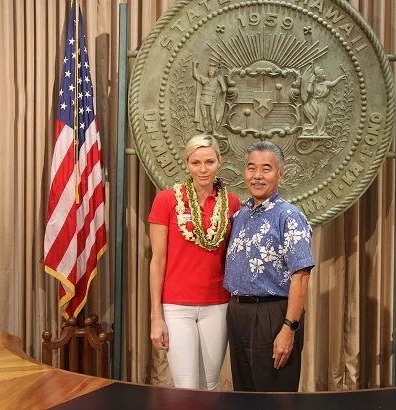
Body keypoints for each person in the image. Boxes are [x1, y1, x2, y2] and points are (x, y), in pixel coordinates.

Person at [148, 134, 241, 390]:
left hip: (217, 304)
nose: (203, 169)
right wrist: (157, 317)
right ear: (187, 163)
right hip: (177, 306)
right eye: (196, 162)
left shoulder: (231, 202)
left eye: (209, 162)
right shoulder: (167, 200)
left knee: (211, 385)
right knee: (186, 388)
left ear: (219, 163)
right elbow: (157, 261)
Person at [223, 140, 315, 392]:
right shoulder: (240, 216)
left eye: (266, 169)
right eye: (251, 168)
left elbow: (301, 277)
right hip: (238, 312)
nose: (257, 176)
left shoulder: (289, 216)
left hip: (272, 315)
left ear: (280, 174)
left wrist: (289, 327)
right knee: (244, 394)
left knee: (274, 395)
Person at [301, 65, 346, 136]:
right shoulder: (314, 84)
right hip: (314, 103)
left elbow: (333, 83)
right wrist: (311, 81)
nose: (324, 75)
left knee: (321, 118)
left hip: (322, 103)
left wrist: (339, 79)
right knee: (316, 119)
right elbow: (309, 91)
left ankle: (320, 132)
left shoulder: (326, 83)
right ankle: (312, 131)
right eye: (322, 74)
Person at [193, 59, 227, 134]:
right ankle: (207, 130)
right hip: (203, 99)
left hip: (212, 99)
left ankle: (214, 131)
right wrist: (194, 66)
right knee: (204, 116)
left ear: (214, 72)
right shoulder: (204, 79)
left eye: (212, 71)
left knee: (212, 116)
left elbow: (224, 90)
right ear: (208, 72)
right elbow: (195, 76)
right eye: (210, 71)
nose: (211, 73)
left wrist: (221, 82)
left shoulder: (217, 80)